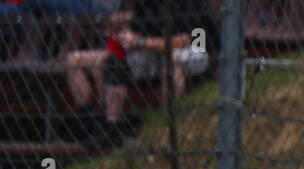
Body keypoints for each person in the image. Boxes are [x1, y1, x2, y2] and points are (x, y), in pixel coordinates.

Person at [64, 0, 216, 145]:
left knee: (171, 60)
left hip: (196, 51)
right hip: (154, 53)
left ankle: (167, 121)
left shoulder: (187, 3)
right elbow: (138, 36)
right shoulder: (146, 5)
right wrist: (122, 41)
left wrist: (141, 42)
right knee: (85, 59)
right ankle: (93, 124)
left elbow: (182, 42)